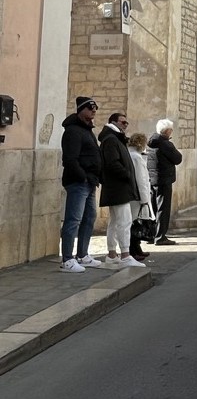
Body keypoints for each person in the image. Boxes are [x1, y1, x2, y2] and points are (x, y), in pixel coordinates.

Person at [59, 96, 103, 273]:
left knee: (89, 218)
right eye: (90, 108)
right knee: (73, 220)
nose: (93, 111)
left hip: (90, 182)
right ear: (81, 110)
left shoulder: (87, 130)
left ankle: (82, 255)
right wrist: (83, 177)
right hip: (78, 182)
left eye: (95, 109)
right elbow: (70, 159)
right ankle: (67, 259)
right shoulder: (73, 131)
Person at [99, 112, 144, 268]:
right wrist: (127, 175)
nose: (125, 125)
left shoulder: (114, 138)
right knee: (124, 222)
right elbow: (112, 163)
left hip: (116, 187)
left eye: (127, 122)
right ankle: (125, 255)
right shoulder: (111, 139)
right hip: (118, 187)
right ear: (114, 122)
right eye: (123, 122)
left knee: (115, 222)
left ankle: (112, 254)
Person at [148, 118, 182, 246]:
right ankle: (160, 236)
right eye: (171, 130)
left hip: (152, 179)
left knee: (153, 207)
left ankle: (152, 234)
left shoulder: (151, 141)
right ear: (167, 131)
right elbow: (178, 158)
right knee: (163, 208)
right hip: (163, 179)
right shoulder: (165, 144)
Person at [127, 132, 153, 263]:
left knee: (134, 223)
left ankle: (136, 248)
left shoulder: (131, 155)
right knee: (135, 224)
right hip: (137, 195)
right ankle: (133, 250)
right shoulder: (136, 157)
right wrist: (145, 199)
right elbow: (141, 179)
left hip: (133, 194)